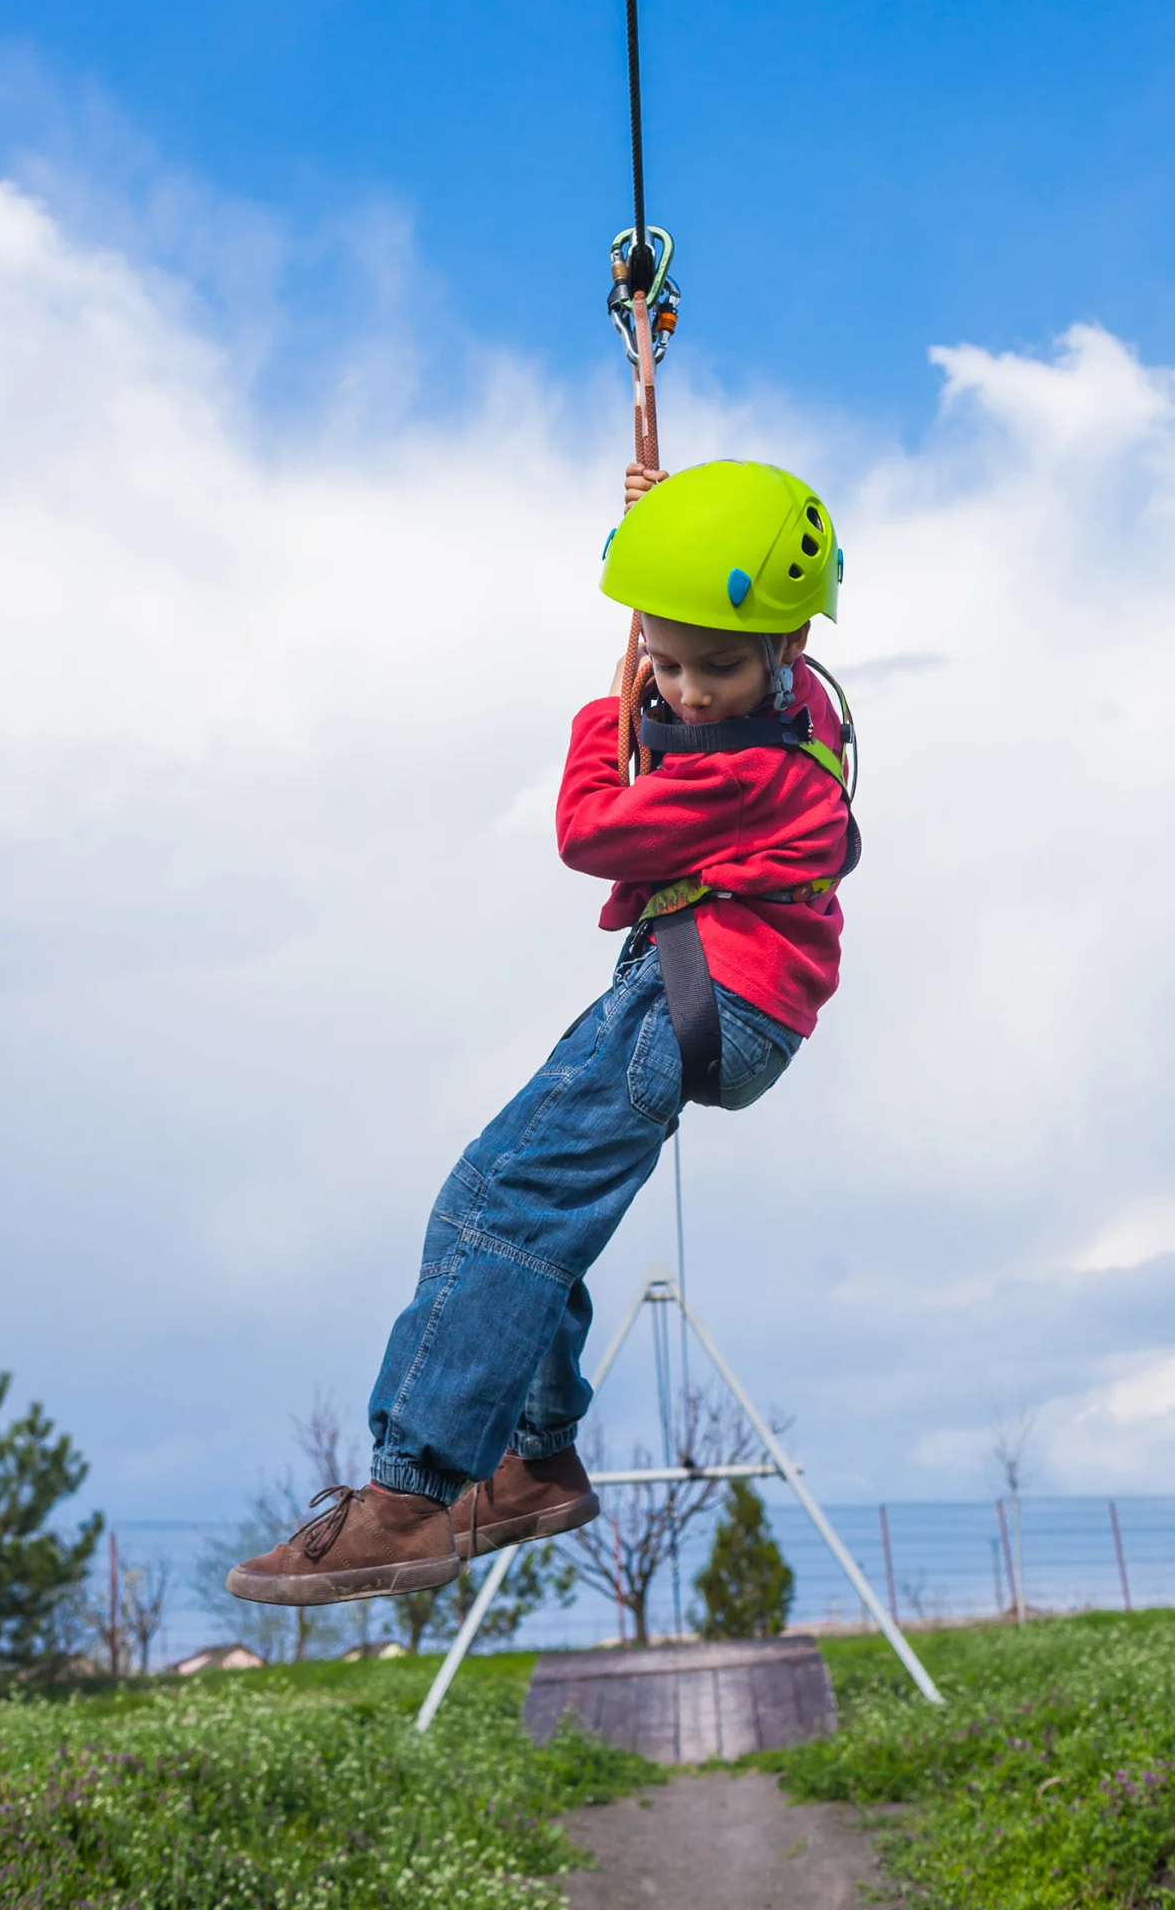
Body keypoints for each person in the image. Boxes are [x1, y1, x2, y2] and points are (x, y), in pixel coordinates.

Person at [228, 459, 853, 1607]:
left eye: (716, 665)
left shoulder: (750, 766)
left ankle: (409, 1496)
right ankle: (534, 1460)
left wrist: (600, 709)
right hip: (713, 985)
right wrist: (658, 529)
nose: (689, 688)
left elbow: (589, 828)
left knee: (492, 1205)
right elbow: (706, 609)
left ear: (787, 642)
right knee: (530, 1210)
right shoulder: (796, 702)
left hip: (698, 989)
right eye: (663, 660)